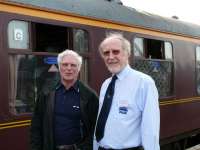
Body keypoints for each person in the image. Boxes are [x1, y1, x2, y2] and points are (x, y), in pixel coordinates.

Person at [94, 33, 160, 150]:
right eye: (106, 53)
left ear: (127, 53)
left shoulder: (144, 83)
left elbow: (150, 129)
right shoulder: (106, 84)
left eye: (115, 51)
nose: (110, 57)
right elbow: (100, 121)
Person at [30, 49, 99, 150]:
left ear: (79, 68)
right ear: (59, 67)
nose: (69, 68)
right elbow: (36, 125)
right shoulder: (46, 92)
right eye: (65, 64)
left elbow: (95, 130)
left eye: (73, 65)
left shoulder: (89, 96)